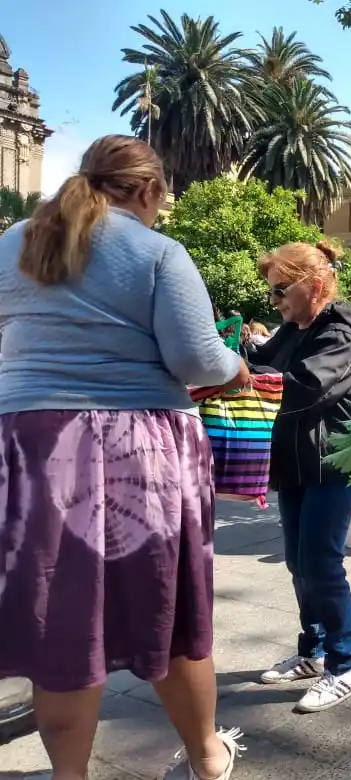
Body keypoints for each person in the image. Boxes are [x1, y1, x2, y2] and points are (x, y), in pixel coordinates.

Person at [0, 136, 248, 780]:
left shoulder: (15, 241)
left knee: (62, 619)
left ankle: (69, 775)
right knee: (168, 614)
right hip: (141, 446)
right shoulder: (158, 252)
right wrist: (236, 365)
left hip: (32, 444)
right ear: (147, 191)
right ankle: (207, 759)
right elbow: (196, 359)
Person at [251, 240, 351, 713]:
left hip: (335, 463)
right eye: (272, 293)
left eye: (282, 289)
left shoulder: (343, 333)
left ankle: (344, 666)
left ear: (316, 285)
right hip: (296, 462)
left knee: (321, 564)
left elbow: (304, 388)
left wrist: (244, 380)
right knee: (298, 562)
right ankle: (314, 650)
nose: (275, 301)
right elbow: (263, 364)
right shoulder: (293, 328)